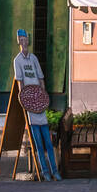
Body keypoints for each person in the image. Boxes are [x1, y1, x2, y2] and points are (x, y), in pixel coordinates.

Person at [14, 28, 61, 180]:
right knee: (38, 144)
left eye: (25, 39)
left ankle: (55, 171)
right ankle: (45, 172)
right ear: (18, 42)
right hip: (30, 105)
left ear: (28, 40)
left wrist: (43, 95)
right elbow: (20, 81)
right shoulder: (18, 61)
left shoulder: (33, 59)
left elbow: (41, 78)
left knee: (48, 142)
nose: (23, 42)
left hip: (39, 102)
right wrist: (23, 100)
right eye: (21, 39)